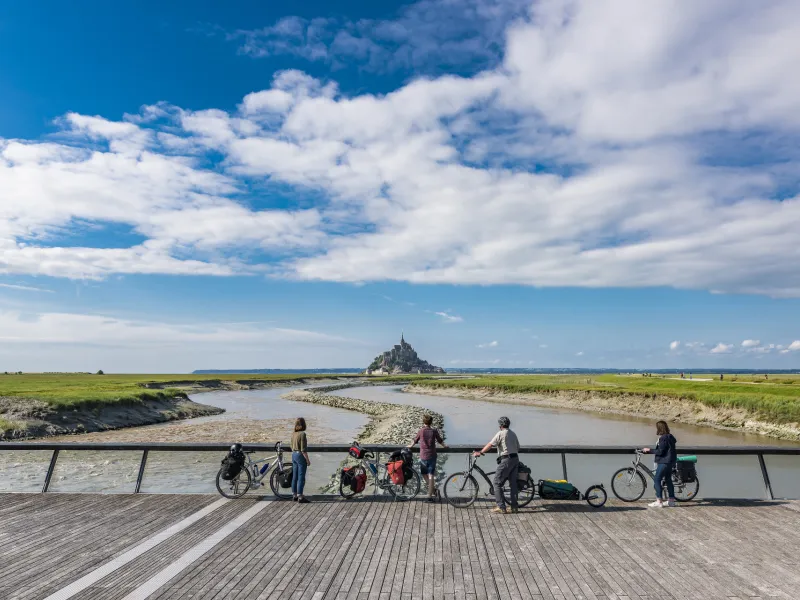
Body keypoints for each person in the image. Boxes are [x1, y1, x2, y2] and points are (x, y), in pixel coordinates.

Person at [473, 416, 520, 514]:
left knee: (497, 483)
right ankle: (514, 507)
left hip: (506, 459)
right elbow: (518, 447)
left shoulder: (501, 433)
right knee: (513, 484)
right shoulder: (513, 433)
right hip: (515, 459)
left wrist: (480, 452)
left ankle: (501, 506)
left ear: (500, 425)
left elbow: (490, 444)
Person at [408, 414, 447, 502]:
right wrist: (445, 446)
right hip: (432, 455)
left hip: (423, 455)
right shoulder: (434, 431)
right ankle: (433, 491)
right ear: (431, 422)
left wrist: (410, 446)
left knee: (424, 474)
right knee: (431, 475)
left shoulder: (421, 431)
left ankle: (430, 496)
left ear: (423, 422)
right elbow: (440, 440)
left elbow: (415, 440)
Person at [642, 420, 677, 508]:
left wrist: (649, 450)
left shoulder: (663, 438)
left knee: (657, 479)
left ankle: (659, 501)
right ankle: (671, 501)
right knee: (668, 479)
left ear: (659, 428)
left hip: (664, 462)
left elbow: (660, 451)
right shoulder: (670, 437)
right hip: (671, 461)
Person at [291, 417, 311, 503]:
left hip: (294, 454)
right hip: (300, 455)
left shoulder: (293, 434)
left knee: (294, 476)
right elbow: (303, 449)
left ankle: (294, 495)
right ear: (303, 425)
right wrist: (307, 460)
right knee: (301, 477)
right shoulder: (302, 434)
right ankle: (300, 496)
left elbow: (291, 446)